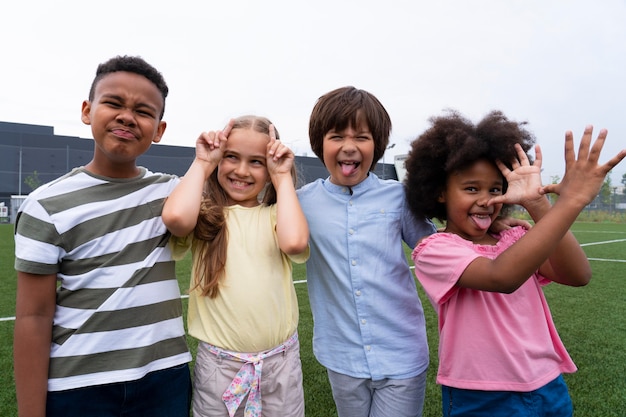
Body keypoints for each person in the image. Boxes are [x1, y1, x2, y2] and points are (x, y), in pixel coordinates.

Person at [404, 110, 626, 417]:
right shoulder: (435, 250)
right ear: (439, 192)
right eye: (471, 188)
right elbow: (501, 278)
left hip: (547, 382)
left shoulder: (515, 236)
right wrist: (571, 201)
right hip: (481, 393)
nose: (486, 200)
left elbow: (578, 275)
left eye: (495, 189)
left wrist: (537, 203)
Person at [13, 55, 192, 417]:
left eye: (143, 111)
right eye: (113, 103)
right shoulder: (44, 205)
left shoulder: (173, 195)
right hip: (78, 386)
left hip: (166, 377)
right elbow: (33, 315)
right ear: (86, 110)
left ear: (159, 130)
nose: (127, 116)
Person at [296, 86, 437, 417]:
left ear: (378, 144)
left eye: (361, 136)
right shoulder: (302, 202)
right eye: (336, 136)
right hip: (341, 355)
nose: (349, 147)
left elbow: (437, 254)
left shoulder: (400, 197)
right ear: (319, 144)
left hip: (402, 353)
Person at [162, 115, 310, 417]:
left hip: (281, 365)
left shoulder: (275, 216)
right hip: (219, 368)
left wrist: (282, 178)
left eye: (256, 162)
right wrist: (203, 164)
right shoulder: (205, 216)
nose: (241, 170)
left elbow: (295, 242)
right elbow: (176, 218)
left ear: (269, 169)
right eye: (231, 157)